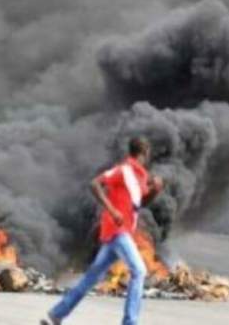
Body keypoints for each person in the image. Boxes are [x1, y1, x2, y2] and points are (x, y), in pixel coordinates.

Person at [42, 137, 163, 325]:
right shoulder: (123, 170)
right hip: (117, 231)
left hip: (122, 233)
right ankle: (130, 322)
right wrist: (112, 210)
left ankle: (57, 314)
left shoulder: (142, 177)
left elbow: (140, 204)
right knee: (139, 271)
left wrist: (154, 190)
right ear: (145, 152)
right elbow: (95, 184)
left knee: (91, 278)